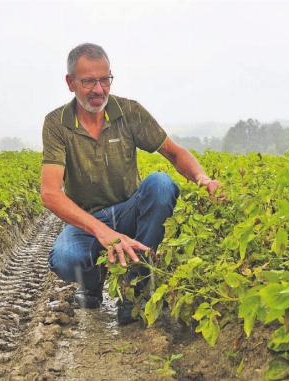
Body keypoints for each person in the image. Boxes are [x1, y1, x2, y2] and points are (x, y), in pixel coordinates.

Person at [40, 43, 223, 325]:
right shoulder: (57, 124)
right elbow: (51, 193)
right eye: (88, 81)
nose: (98, 89)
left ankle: (136, 290)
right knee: (66, 259)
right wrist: (101, 232)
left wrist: (203, 178)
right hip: (87, 220)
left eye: (105, 79)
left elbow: (174, 153)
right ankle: (91, 283)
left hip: (129, 208)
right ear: (70, 83)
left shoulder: (129, 111)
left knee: (161, 184)